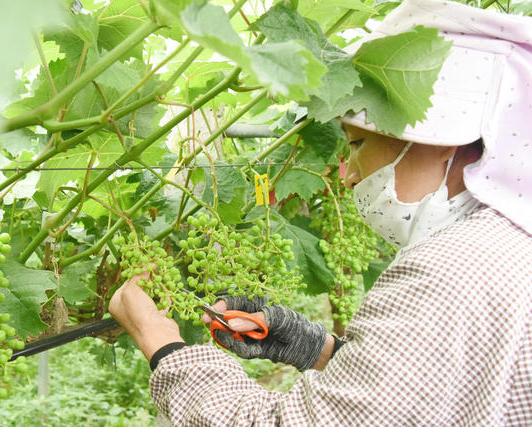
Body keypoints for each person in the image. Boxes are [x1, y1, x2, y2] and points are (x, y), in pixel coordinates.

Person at [109, 0, 532, 425]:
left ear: (443, 137)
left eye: (357, 144)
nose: (348, 177)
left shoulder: (448, 271)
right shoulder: (508, 245)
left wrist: (163, 343)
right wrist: (309, 345)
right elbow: (435, 388)